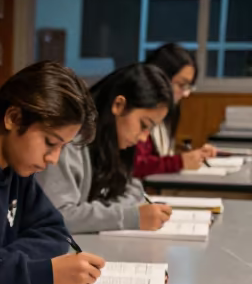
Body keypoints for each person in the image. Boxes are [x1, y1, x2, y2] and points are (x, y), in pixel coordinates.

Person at [0, 61, 105, 284]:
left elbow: (56, 232)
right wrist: (40, 274)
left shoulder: (17, 165)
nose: (53, 159)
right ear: (14, 118)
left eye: (63, 147)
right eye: (50, 142)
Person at [37, 63, 175, 233]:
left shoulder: (110, 142)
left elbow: (133, 186)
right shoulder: (70, 139)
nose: (143, 137)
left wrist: (109, 212)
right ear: (119, 105)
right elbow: (59, 216)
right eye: (143, 125)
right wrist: (128, 216)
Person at [134, 44, 217, 177]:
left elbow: (158, 155)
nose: (186, 94)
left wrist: (192, 156)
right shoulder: (137, 108)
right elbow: (135, 165)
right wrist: (180, 162)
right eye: (181, 85)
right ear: (160, 77)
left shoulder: (167, 110)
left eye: (189, 86)